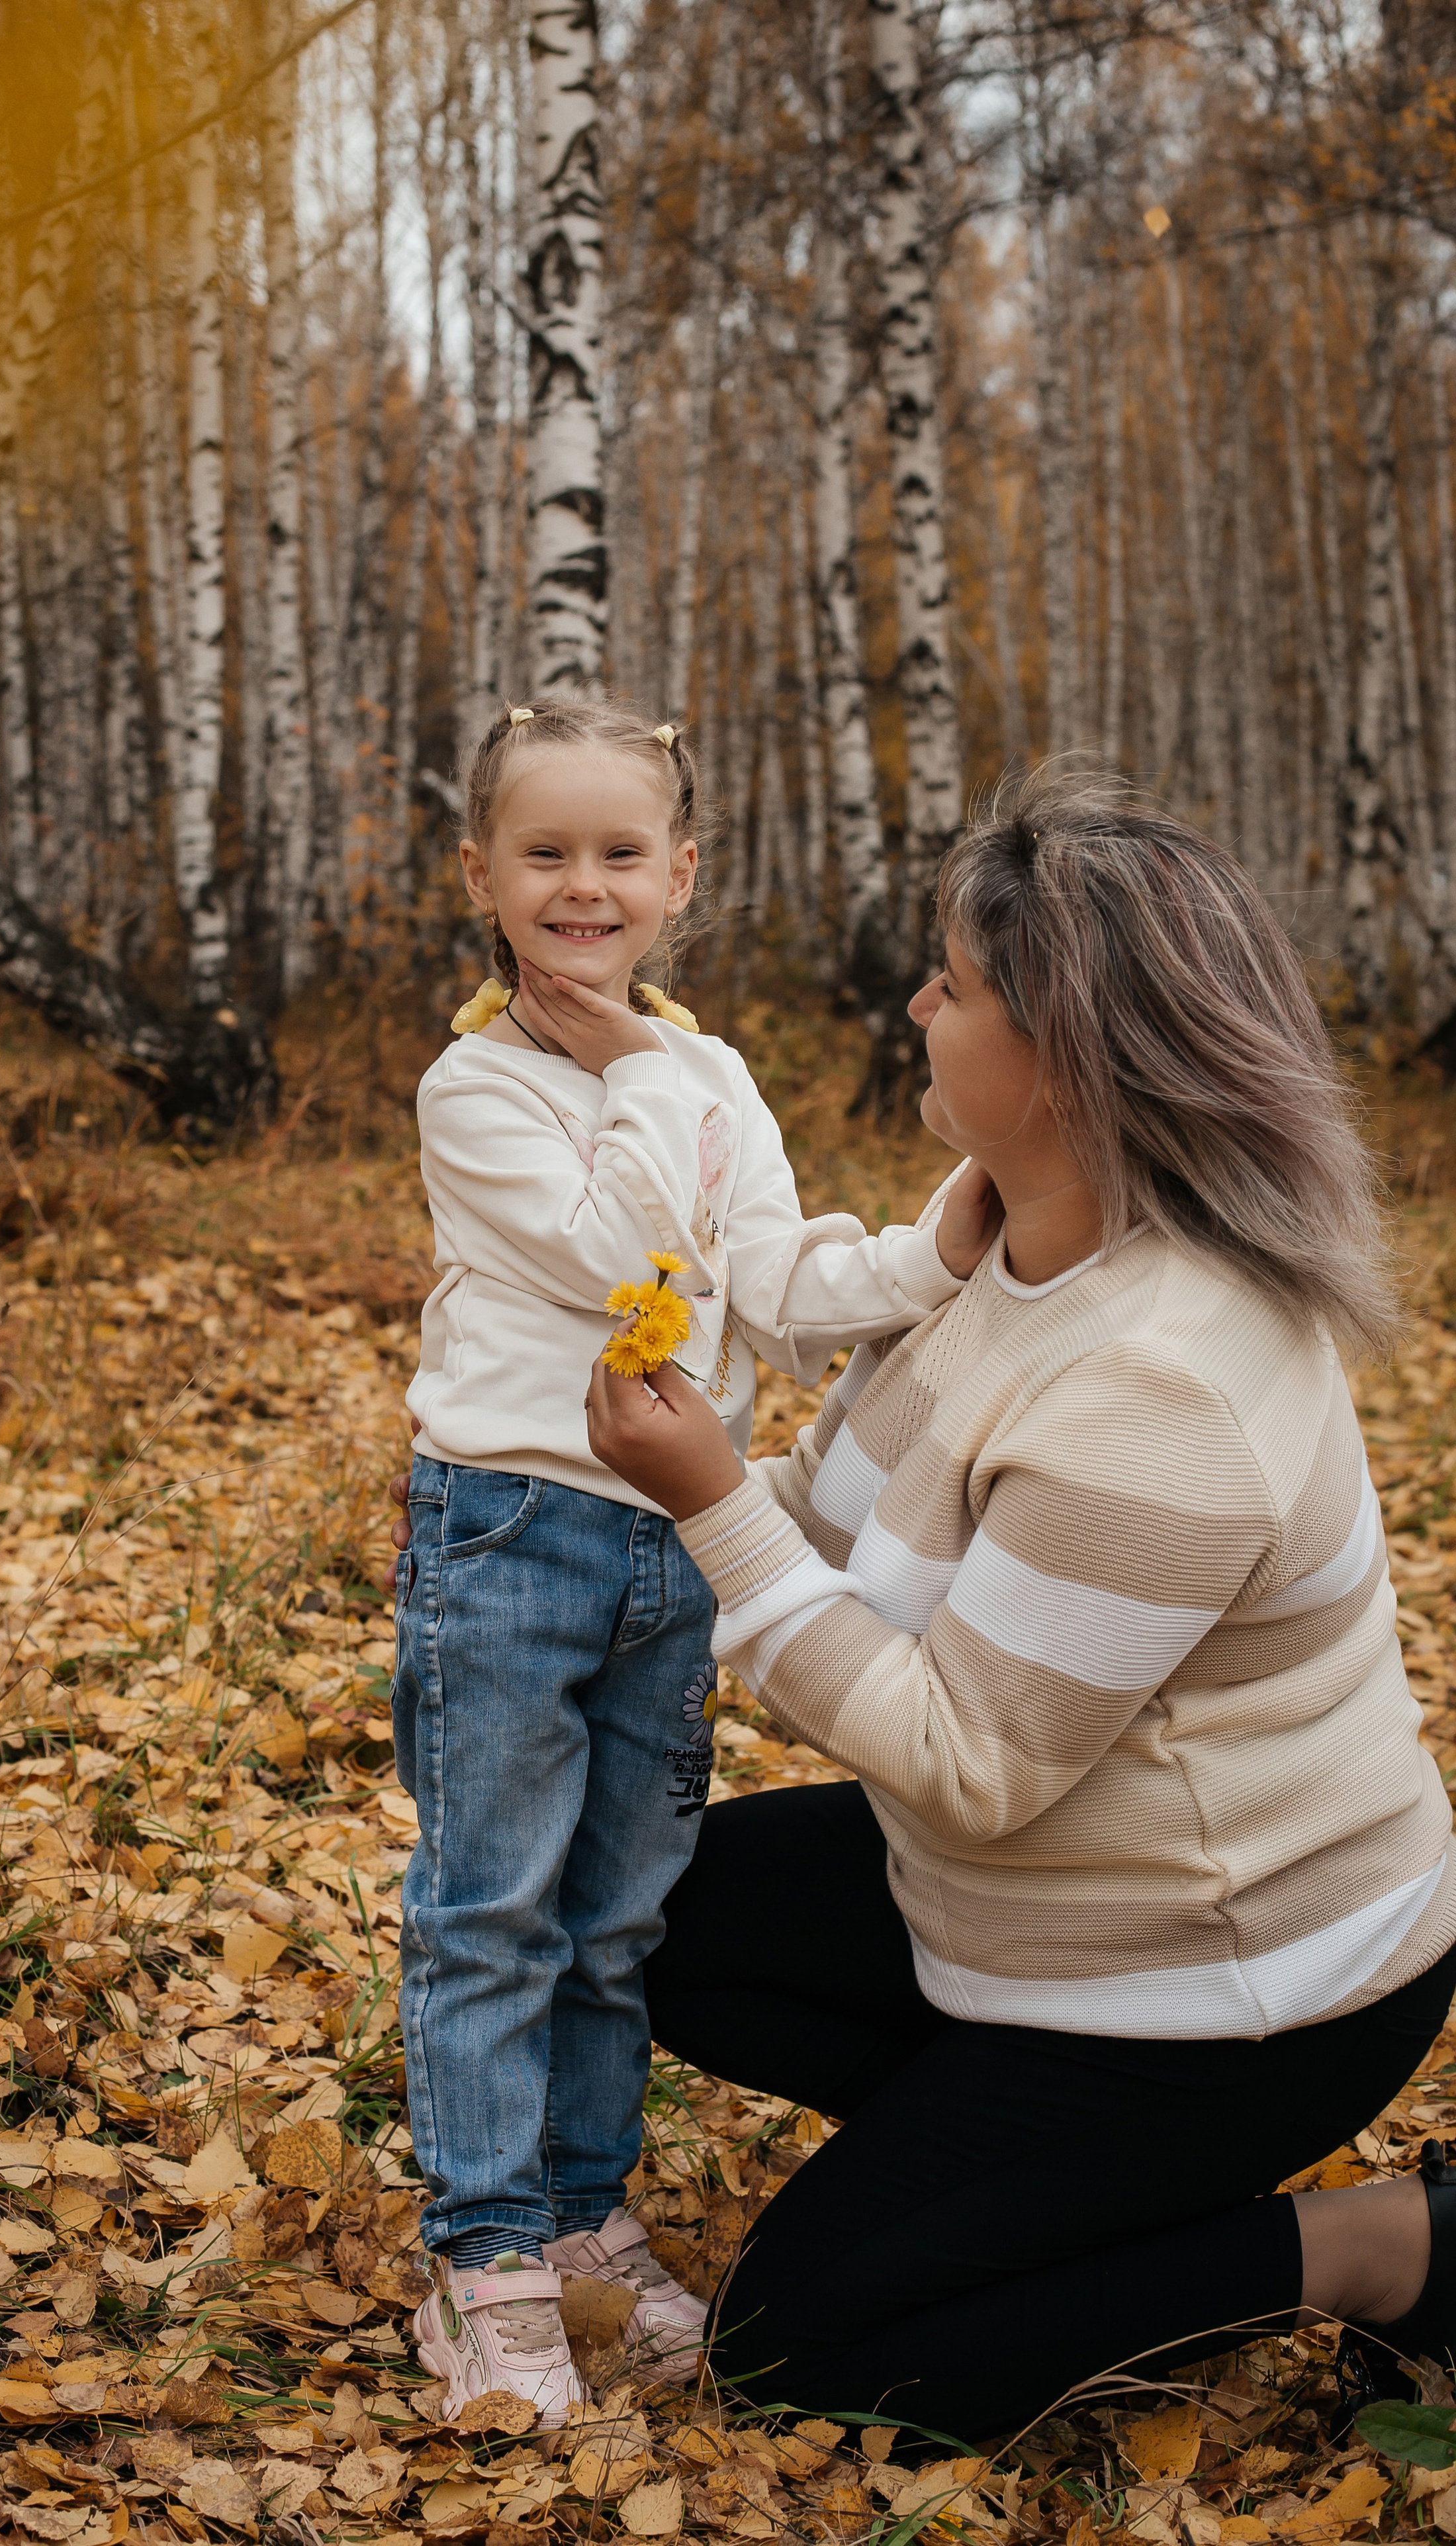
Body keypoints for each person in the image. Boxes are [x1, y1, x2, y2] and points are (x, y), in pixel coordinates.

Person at [581, 762, 1456, 2442]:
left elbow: (969, 1758)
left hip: (1228, 1982)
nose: (913, 1001)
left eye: (952, 981)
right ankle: (1036, 2194)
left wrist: (704, 1509)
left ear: (1063, 1057)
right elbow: (820, 1528)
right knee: (633, 1913)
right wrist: (571, 1523)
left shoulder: (1163, 1384)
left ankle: (1369, 2247)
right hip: (1016, 1905)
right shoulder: (1000, 1248)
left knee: (798, 2354)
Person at [393, 697, 1002, 2427]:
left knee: (612, 1922)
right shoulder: (480, 1087)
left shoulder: (710, 1073)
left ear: (679, 874)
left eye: (617, 855)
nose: (582, 889)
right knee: (494, 1913)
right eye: (544, 855)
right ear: (484, 877)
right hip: (510, 1529)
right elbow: (625, 1255)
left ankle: (584, 2212)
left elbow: (771, 1286)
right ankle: (484, 2254)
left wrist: (930, 1250)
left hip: (676, 1541)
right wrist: (650, 1072)